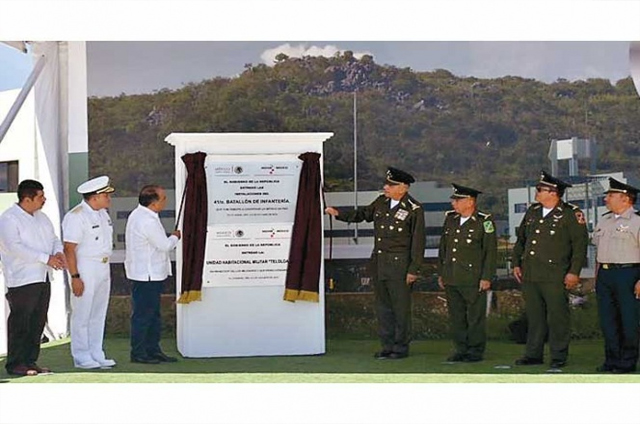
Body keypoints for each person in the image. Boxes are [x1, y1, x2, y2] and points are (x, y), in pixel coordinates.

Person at [325, 167, 425, 359]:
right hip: (380, 264)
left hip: (399, 266)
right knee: (383, 307)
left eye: (391, 185)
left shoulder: (414, 209)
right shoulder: (381, 202)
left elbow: (418, 242)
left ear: (403, 187)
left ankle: (400, 347)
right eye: (386, 184)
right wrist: (338, 213)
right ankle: (387, 345)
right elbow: (362, 214)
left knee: (400, 309)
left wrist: (414, 269)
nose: (386, 187)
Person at [512, 170, 588, 370]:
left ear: (553, 193)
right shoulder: (533, 211)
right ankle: (533, 354)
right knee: (535, 316)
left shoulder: (570, 213)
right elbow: (521, 240)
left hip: (555, 274)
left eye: (540, 189)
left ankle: (558, 355)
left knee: (557, 317)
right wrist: (516, 263)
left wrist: (574, 271)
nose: (537, 192)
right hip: (531, 273)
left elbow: (579, 245)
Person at [0, 180, 66, 376]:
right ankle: (15, 363)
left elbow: (54, 239)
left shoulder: (42, 217)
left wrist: (58, 252)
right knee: (21, 321)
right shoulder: (9, 219)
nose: (44, 200)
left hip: (43, 276)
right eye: (40, 196)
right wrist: (46, 258)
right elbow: (15, 247)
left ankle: (30, 361)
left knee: (38, 321)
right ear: (27, 199)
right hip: (22, 278)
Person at [437, 183, 497, 362]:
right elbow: (443, 249)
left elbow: (490, 251)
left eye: (457, 200)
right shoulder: (451, 219)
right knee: (457, 316)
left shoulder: (484, 221)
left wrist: (486, 277)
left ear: (470, 202)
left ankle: (475, 350)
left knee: (475, 316)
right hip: (452, 276)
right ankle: (460, 349)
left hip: (473, 277)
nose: (453, 203)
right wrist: (442, 273)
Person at [62, 175, 116, 369]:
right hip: (85, 266)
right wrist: (75, 276)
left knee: (98, 313)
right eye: (106, 195)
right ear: (95, 197)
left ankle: (96, 353)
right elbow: (69, 249)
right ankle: (81, 356)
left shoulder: (103, 214)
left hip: (103, 266)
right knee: (82, 313)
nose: (109, 199)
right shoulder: (76, 216)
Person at [125, 185, 181, 364]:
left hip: (147, 274)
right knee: (144, 316)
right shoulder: (147, 220)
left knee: (152, 315)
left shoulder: (139, 215)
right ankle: (139, 352)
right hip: (147, 275)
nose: (165, 201)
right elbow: (164, 245)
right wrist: (175, 236)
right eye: (163, 198)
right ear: (154, 202)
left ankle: (152, 350)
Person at [591, 177, 640, 374]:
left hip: (628, 273)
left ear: (625, 199)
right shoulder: (605, 220)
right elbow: (598, 251)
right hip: (605, 274)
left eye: (611, 195)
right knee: (608, 320)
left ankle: (627, 362)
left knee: (628, 319)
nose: (606, 199)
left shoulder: (637, 221)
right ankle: (611, 359)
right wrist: (597, 276)